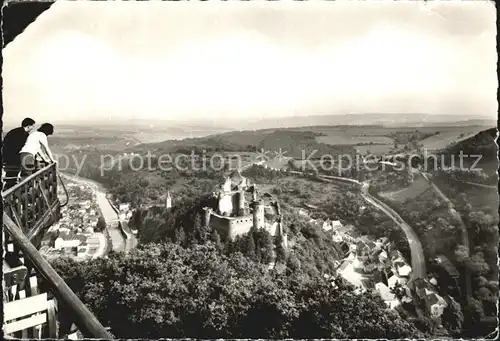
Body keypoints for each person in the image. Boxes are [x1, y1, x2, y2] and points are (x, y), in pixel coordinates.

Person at [2, 117, 36, 189]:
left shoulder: (13, 131)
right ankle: (9, 191)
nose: (32, 129)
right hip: (15, 158)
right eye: (32, 126)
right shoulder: (24, 135)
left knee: (11, 176)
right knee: (13, 176)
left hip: (7, 156)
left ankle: (7, 190)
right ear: (28, 126)